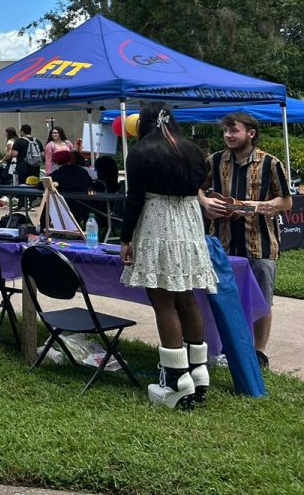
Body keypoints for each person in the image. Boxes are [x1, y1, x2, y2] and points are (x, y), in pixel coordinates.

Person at [119, 104, 218, 409]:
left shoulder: (141, 152)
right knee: (186, 297)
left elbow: (134, 199)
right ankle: (198, 372)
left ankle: (176, 379)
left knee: (162, 300)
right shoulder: (193, 152)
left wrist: (125, 238)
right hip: (189, 224)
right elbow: (204, 183)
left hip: (156, 221)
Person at [200, 112, 292, 369]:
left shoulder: (271, 164)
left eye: (234, 131)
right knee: (219, 295)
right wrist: (205, 202)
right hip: (223, 243)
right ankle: (221, 348)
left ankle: (258, 352)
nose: (228, 136)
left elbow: (286, 201)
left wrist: (265, 205)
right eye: (225, 132)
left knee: (262, 299)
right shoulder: (215, 160)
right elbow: (194, 186)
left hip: (260, 241)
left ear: (251, 133)